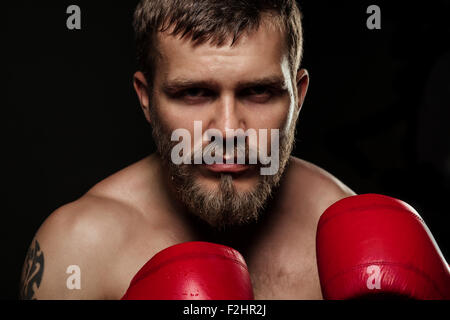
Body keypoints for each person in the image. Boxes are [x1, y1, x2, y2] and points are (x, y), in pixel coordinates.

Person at [20, 0, 357, 300]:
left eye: (258, 91)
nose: (227, 131)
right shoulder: (80, 248)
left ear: (298, 97)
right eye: (194, 92)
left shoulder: (348, 237)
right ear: (146, 99)